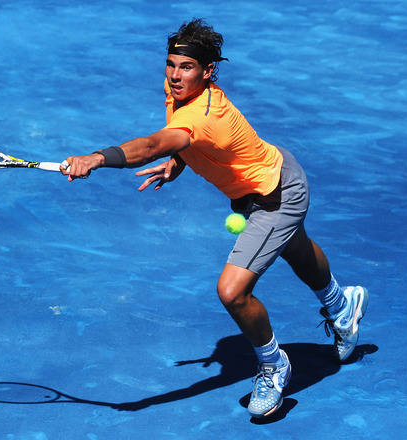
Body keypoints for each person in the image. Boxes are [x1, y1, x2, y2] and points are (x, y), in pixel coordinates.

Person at [60, 18, 369, 419]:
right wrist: (180, 160)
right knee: (295, 248)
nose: (174, 75)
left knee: (232, 291)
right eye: (170, 64)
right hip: (277, 171)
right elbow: (181, 139)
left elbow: (156, 142)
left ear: (207, 72)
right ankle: (342, 306)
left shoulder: (204, 115)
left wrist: (97, 158)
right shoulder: (183, 94)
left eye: (186, 68)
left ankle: (275, 365)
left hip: (275, 199)